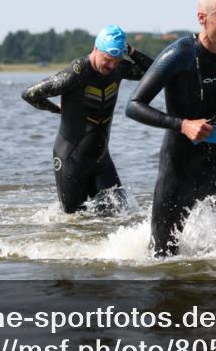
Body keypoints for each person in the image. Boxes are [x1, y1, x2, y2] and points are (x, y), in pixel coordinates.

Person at [126, 0, 216, 257]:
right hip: (178, 170)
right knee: (163, 256)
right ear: (202, 19)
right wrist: (183, 124)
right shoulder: (179, 55)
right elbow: (134, 106)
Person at [22, 25, 153, 213]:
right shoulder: (76, 73)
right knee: (74, 222)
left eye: (117, 61)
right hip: (71, 159)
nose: (111, 66)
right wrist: (56, 110)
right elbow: (30, 94)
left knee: (119, 215)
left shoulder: (118, 69)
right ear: (96, 48)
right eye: (108, 60)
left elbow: (156, 72)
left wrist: (131, 51)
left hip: (101, 159)